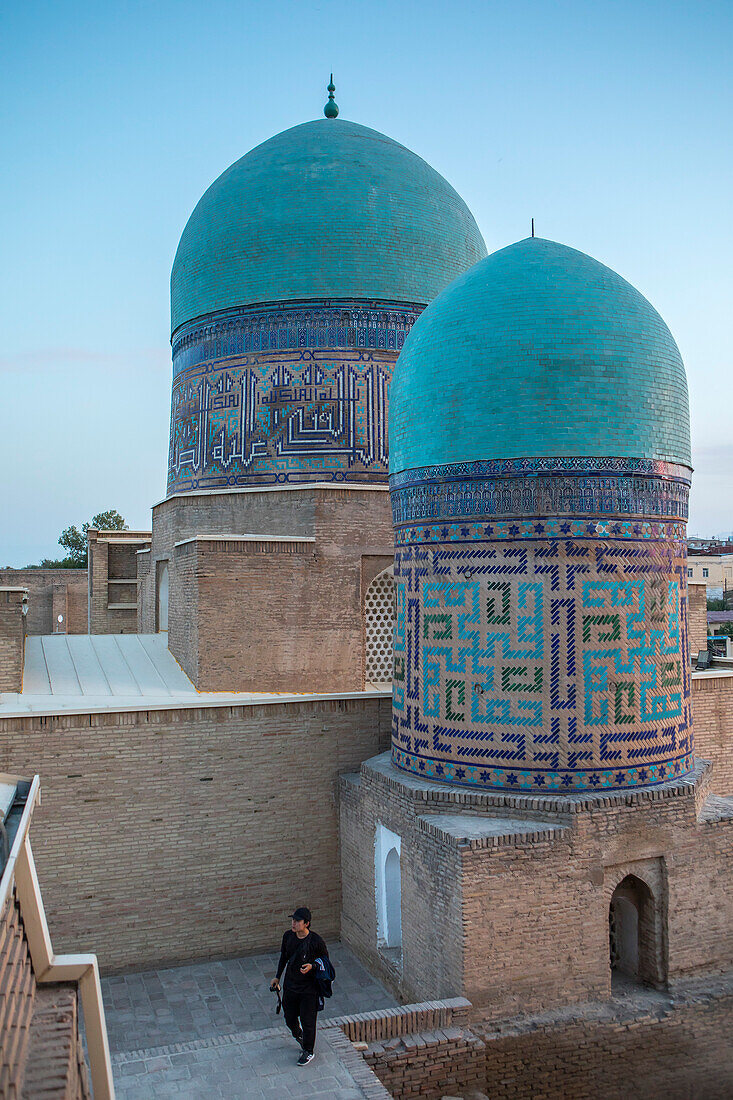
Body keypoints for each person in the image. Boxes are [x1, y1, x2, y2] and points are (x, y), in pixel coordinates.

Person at [270, 906, 329, 1066]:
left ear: (306, 923)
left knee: (308, 1020)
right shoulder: (288, 936)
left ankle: (308, 1051)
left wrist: (312, 966)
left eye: (297, 921)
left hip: (309, 989)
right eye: (293, 920)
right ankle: (299, 1035)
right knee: (289, 1017)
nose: (293, 923)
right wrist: (277, 976)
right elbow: (284, 956)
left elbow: (325, 963)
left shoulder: (316, 941)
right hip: (290, 985)